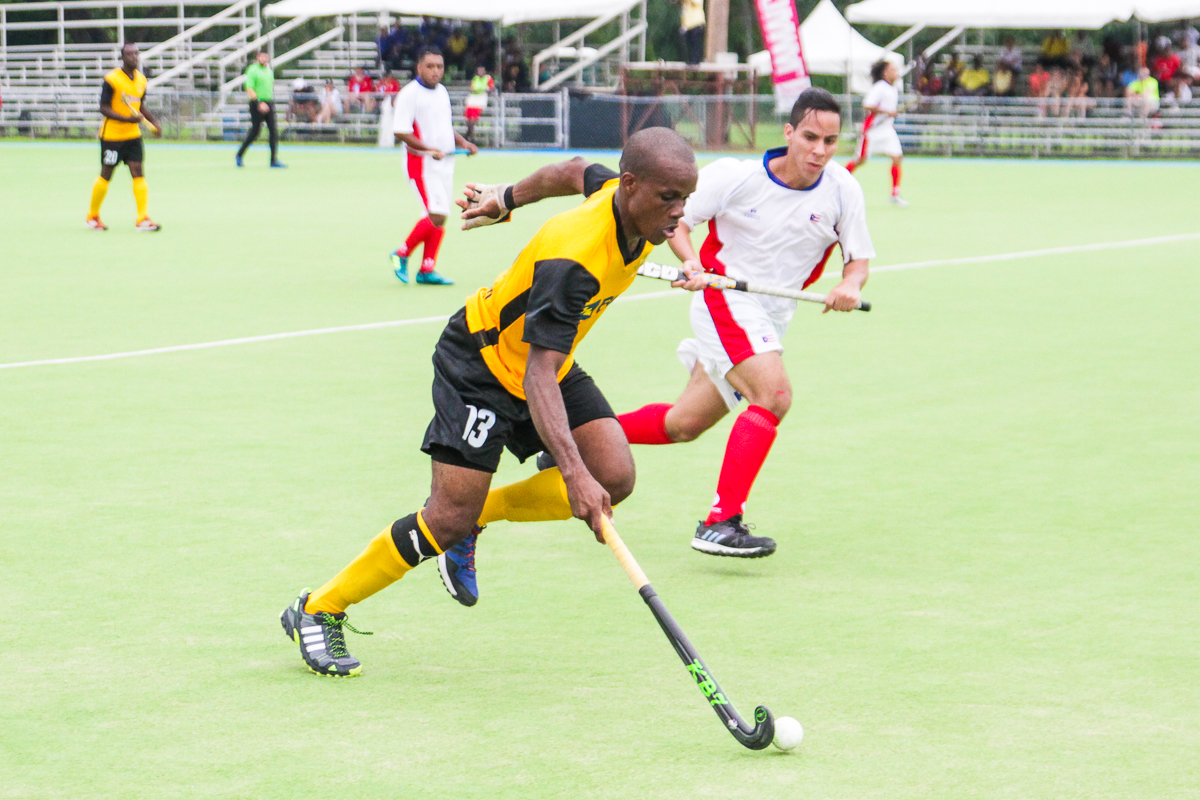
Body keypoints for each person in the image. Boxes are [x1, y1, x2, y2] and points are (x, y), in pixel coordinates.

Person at [279, 128, 699, 675]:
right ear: (631, 185)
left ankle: (483, 517)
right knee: (447, 517)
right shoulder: (573, 258)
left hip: (546, 360)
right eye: (669, 198)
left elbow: (572, 168)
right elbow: (537, 376)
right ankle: (318, 608)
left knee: (614, 475)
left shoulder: (622, 204)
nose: (679, 212)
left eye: (686, 198)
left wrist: (507, 197)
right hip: (480, 365)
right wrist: (571, 472)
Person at [389, 47, 477, 286]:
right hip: (421, 165)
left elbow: (445, 126)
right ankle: (402, 253)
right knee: (437, 213)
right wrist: (429, 150)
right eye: (430, 66)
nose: (436, 71)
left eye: (439, 66)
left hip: (445, 163)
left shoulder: (442, 92)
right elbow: (401, 130)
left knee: (440, 216)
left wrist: (463, 142)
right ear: (419, 67)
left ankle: (427, 269)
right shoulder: (409, 94)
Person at [87, 42, 162, 232]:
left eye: (136, 54)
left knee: (138, 171)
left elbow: (140, 107)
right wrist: (127, 119)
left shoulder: (141, 81)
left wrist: (153, 123)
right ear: (122, 57)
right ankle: (92, 217)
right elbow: (103, 108)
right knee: (106, 174)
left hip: (133, 136)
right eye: (129, 54)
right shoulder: (111, 80)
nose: (134, 57)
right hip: (112, 136)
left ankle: (142, 219)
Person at [846, 59, 907, 206]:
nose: (896, 73)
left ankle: (895, 193)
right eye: (893, 70)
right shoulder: (880, 87)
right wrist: (888, 112)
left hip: (887, 130)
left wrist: (891, 114)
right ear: (885, 73)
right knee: (860, 160)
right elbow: (868, 105)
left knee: (897, 157)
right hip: (872, 130)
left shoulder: (893, 88)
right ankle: (836, 180)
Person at [236, 50, 285, 168]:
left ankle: (273, 160)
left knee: (273, 131)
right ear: (258, 57)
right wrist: (259, 102)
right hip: (257, 103)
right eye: (262, 56)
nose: (264, 59)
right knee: (255, 132)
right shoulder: (252, 70)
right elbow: (249, 88)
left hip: (269, 103)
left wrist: (269, 102)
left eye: (266, 57)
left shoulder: (269, 71)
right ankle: (239, 154)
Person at [464, 64, 494, 143]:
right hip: (472, 99)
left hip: (480, 99)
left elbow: (491, 88)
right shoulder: (475, 78)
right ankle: (469, 134)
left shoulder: (488, 78)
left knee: (473, 119)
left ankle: (469, 135)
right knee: (468, 119)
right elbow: (472, 88)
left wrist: (484, 90)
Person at [680, 0, 706, 66]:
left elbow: (697, 2)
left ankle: (696, 61)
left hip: (696, 22)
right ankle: (690, 61)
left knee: (695, 43)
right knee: (689, 44)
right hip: (687, 24)